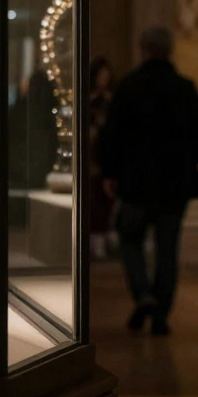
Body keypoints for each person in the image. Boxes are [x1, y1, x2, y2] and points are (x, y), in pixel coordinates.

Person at [97, 26, 198, 336]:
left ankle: (142, 292)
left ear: (143, 50)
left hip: (136, 183)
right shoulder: (184, 88)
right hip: (175, 185)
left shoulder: (130, 87)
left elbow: (113, 135)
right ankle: (161, 314)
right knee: (167, 249)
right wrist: (186, 162)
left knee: (129, 239)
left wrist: (111, 172)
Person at [88, 57, 115, 259]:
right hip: (90, 154)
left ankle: (103, 239)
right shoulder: (88, 101)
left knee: (105, 202)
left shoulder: (111, 101)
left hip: (105, 156)